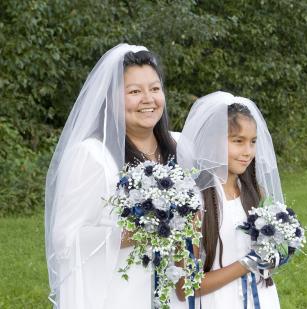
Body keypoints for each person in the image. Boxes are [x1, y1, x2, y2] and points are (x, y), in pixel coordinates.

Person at [45, 43, 177, 308]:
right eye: (134, 91)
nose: (148, 99)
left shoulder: (178, 147)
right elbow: (66, 240)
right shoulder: (92, 156)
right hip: (117, 294)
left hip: (173, 292)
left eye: (154, 88)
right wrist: (145, 229)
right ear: (111, 98)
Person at [176, 91, 283, 308]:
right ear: (213, 143)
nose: (248, 151)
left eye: (253, 142)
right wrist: (246, 264)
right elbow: (185, 285)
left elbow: (265, 261)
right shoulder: (195, 203)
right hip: (219, 301)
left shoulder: (255, 193)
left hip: (261, 297)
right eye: (238, 141)